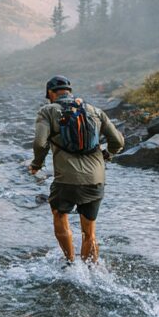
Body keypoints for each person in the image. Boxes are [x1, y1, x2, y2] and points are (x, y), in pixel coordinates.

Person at [29, 75, 124, 264]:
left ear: (50, 93)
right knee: (89, 231)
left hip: (66, 180)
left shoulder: (47, 111)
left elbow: (40, 144)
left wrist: (36, 165)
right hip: (95, 179)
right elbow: (118, 141)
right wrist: (107, 155)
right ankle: (91, 270)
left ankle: (71, 262)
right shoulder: (94, 110)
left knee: (60, 215)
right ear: (69, 91)